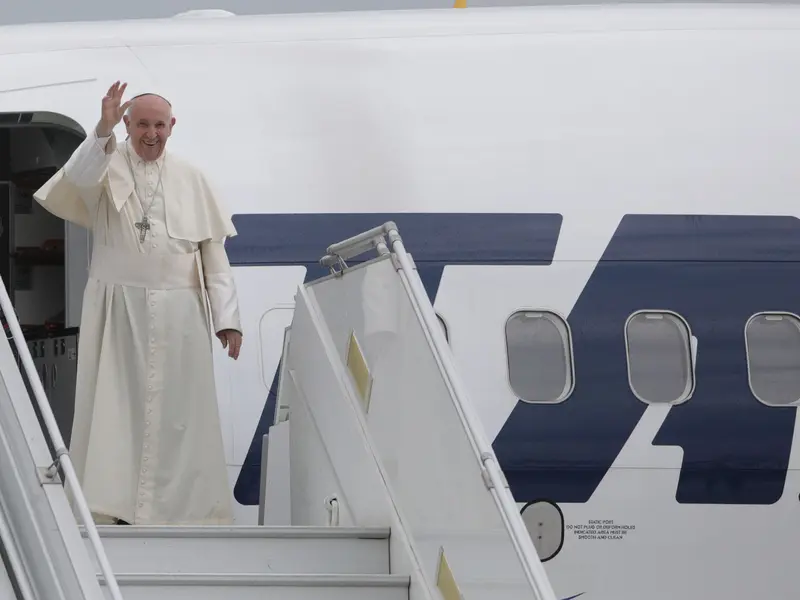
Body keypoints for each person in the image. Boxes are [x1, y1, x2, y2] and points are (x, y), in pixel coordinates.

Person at [33, 81, 243, 526]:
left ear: (173, 126)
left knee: (182, 416)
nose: (152, 134)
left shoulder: (192, 177)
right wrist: (103, 130)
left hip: (182, 312)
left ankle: (186, 511)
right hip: (117, 308)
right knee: (115, 408)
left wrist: (229, 320)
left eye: (160, 125)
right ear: (128, 124)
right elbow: (79, 178)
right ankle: (110, 508)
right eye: (142, 124)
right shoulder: (107, 163)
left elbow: (213, 254)